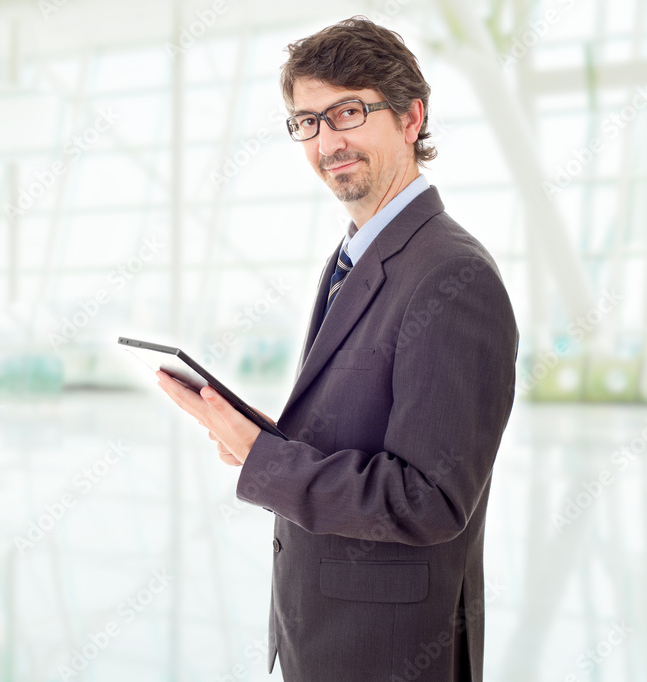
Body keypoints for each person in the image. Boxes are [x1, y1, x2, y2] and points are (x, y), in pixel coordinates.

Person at [155, 16, 518, 682]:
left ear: (411, 118)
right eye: (307, 121)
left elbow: (430, 499)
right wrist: (262, 440)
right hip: (325, 639)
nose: (327, 141)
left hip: (388, 652)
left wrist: (266, 460)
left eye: (348, 112)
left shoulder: (452, 276)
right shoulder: (355, 258)